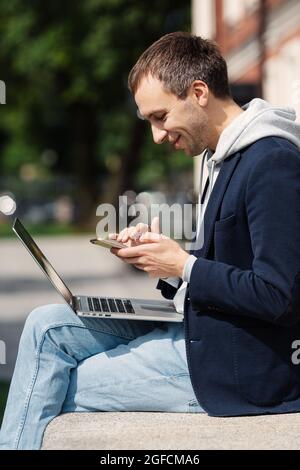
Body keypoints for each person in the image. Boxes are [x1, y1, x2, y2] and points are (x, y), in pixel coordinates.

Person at [1, 31, 300, 450]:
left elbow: (279, 295)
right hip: (207, 328)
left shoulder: (271, 163)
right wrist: (162, 261)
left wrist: (183, 265)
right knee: (45, 325)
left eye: (160, 117)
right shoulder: (221, 157)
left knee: (53, 381)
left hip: (239, 366)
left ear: (198, 93)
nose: (157, 135)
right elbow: (225, 268)